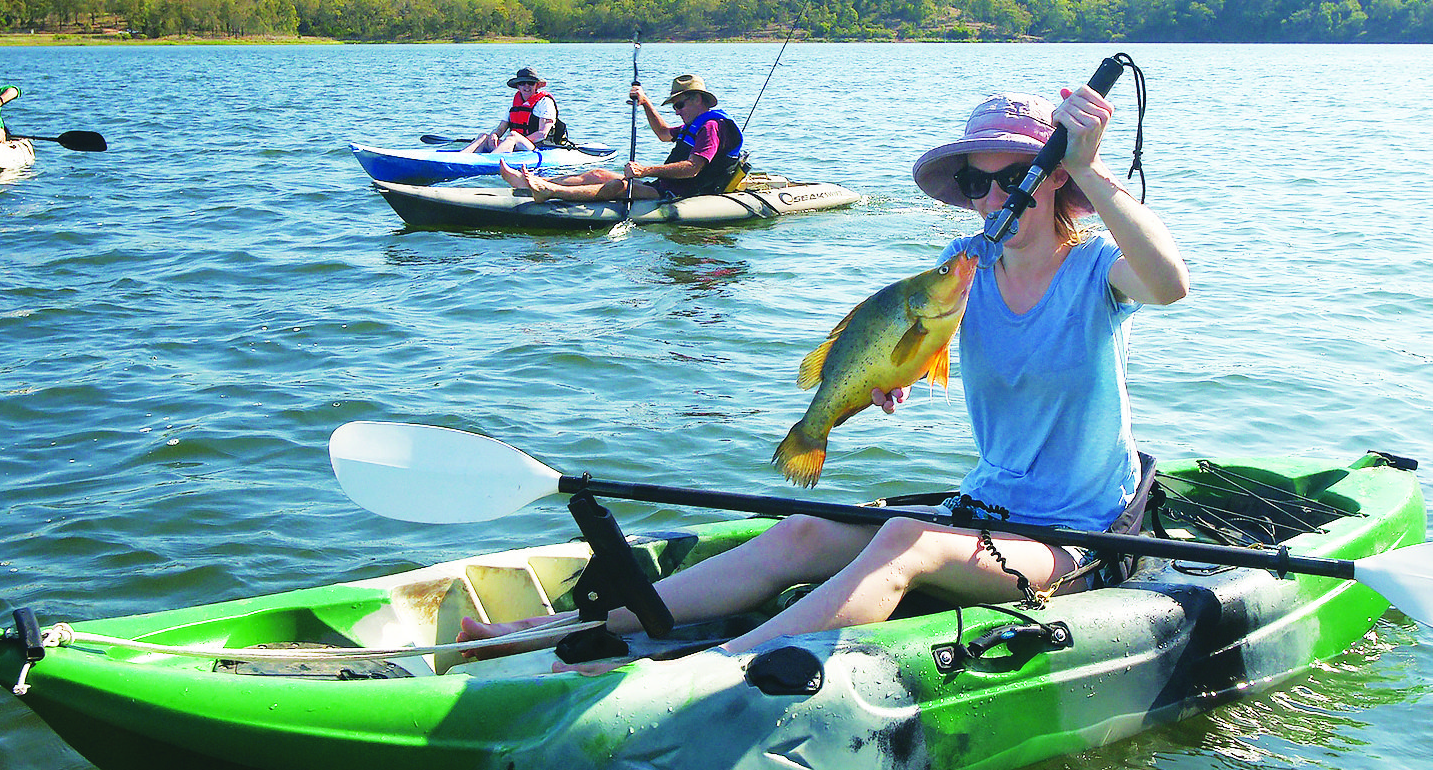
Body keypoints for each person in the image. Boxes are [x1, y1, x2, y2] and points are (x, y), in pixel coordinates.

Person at [462, 80, 1189, 664]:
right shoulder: (965, 264)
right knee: (803, 529)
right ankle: (553, 629)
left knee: (906, 539)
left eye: (1013, 179)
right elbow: (915, 341)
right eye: (975, 181)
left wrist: (1093, 169)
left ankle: (723, 665)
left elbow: (1168, 283)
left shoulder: (1096, 270)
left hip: (1078, 535)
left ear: (1055, 179)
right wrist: (893, 373)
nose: (993, 198)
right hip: (984, 508)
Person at [497, 73, 743, 202]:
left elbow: (692, 169)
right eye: (674, 107)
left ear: (697, 99)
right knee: (597, 174)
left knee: (619, 186)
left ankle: (549, 191)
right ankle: (525, 182)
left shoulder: (711, 127)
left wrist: (645, 171)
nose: (676, 111)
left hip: (679, 193)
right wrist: (645, 103)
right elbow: (664, 134)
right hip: (666, 185)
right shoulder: (695, 124)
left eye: (679, 105)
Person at [463, 68, 562, 153]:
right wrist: (495, 135)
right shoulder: (513, 104)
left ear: (536, 85)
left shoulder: (545, 103)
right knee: (484, 136)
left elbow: (542, 133)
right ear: (518, 86)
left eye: (530, 83)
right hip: (514, 143)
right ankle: (459, 158)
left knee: (513, 136)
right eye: (522, 83)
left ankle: (491, 160)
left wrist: (516, 141)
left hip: (537, 146)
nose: (526, 86)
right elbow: (501, 129)